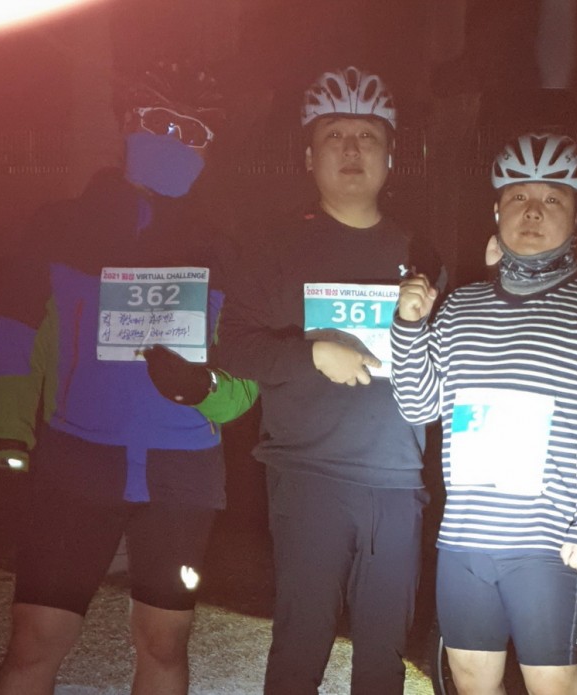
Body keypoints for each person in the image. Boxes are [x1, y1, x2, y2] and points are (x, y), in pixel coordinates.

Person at [0, 60, 257, 695]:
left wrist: (207, 392)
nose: (173, 140)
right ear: (127, 123)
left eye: (193, 131)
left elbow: (250, 376)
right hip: (76, 461)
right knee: (34, 640)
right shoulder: (59, 227)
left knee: (164, 643)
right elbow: (17, 336)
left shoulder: (224, 247)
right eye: (159, 122)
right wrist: (9, 436)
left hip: (182, 471)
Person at [214, 66, 441, 695]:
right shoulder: (273, 247)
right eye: (334, 136)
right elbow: (233, 347)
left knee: (383, 658)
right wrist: (311, 354)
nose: (351, 149)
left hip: (397, 479)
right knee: (300, 648)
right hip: (308, 476)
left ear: (391, 156)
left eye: (367, 137)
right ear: (309, 156)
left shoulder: (421, 253)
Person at [392, 132, 577, 695]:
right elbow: (418, 404)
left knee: (553, 685)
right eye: (518, 196)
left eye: (552, 198)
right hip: (464, 541)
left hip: (548, 543)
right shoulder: (461, 306)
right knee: (471, 683)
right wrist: (408, 328)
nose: (532, 211)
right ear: (497, 210)